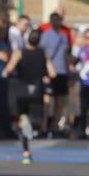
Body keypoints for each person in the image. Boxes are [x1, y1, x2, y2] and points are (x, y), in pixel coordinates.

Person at [3, 26, 54, 162]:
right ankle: (33, 127)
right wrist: (44, 74)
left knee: (22, 120)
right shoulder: (43, 53)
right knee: (35, 120)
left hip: (22, 90)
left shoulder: (19, 53)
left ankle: (26, 151)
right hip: (37, 91)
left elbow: (8, 69)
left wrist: (8, 73)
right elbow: (53, 72)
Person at [39, 12, 73, 135]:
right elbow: (42, 53)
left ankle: (55, 126)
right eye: (53, 20)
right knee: (47, 100)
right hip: (49, 72)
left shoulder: (64, 36)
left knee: (60, 101)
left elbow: (66, 55)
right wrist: (47, 69)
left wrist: (68, 71)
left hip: (62, 71)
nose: (55, 22)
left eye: (57, 20)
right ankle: (43, 126)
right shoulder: (46, 35)